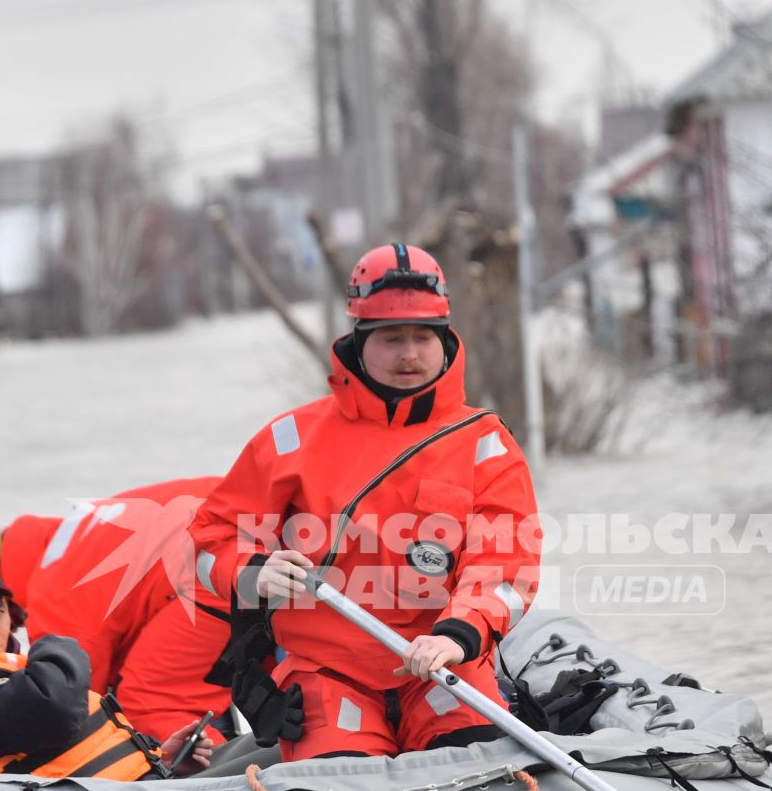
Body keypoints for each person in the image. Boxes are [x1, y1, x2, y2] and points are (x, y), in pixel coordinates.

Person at [190, 243, 540, 760]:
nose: (409, 354)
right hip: (328, 670)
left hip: (440, 663)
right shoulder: (289, 440)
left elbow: (504, 566)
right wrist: (252, 571)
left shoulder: (484, 443)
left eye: (423, 337)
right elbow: (209, 541)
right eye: (392, 339)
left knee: (485, 774)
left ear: (445, 340)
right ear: (358, 343)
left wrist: (458, 636)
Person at [0, 554, 215, 780]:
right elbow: (52, 706)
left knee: (257, 752)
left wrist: (160, 753)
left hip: (141, 780)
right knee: (263, 759)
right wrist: (56, 644)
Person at [0, 476, 232, 745]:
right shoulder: (87, 529)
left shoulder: (52, 593)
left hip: (219, 570)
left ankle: (231, 782)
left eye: (10, 617)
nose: (20, 625)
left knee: (151, 705)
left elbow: (71, 703)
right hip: (263, 531)